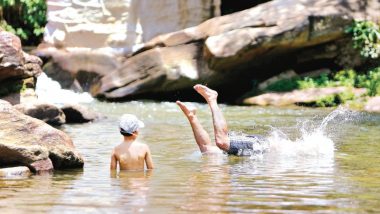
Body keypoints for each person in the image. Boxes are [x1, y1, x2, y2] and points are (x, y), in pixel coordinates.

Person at [176, 84, 268, 156]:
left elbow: (206, 147)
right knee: (222, 142)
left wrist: (191, 117)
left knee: (207, 150)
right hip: (261, 145)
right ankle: (212, 99)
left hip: (258, 151)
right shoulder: (276, 148)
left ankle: (192, 116)